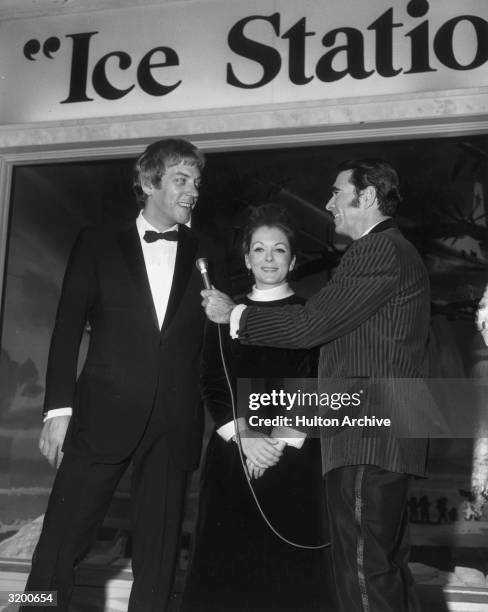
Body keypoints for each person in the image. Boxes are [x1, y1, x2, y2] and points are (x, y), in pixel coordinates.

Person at [202, 159, 431, 611]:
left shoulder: (377, 250)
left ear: (365, 197)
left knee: (366, 575)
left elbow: (310, 326)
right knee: (382, 570)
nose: (328, 204)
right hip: (383, 432)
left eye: (335, 193)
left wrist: (234, 314)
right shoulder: (392, 251)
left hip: (367, 435)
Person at [23, 139, 224, 612]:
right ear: (149, 182)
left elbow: (214, 349)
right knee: (56, 550)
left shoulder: (211, 250)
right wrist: (57, 409)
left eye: (197, 181)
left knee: (157, 565)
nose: (193, 190)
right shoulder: (96, 240)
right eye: (181, 179)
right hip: (99, 417)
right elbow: (67, 328)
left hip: (174, 424)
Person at [181, 204, 327, 611]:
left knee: (288, 576)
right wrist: (244, 436)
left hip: (292, 460)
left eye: (278, 250)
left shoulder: (311, 314)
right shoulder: (220, 312)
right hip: (233, 459)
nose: (268, 258)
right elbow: (212, 380)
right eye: (259, 249)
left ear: (293, 260)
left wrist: (274, 445)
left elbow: (316, 384)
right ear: (246, 258)